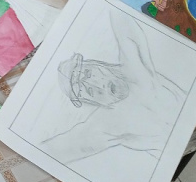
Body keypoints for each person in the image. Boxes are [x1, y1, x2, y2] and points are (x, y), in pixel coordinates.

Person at [42, 11, 184, 162]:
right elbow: (54, 150)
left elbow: (122, 19)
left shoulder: (135, 69)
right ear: (89, 101)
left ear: (95, 63)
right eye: (89, 91)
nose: (98, 85)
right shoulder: (106, 123)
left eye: (89, 74)